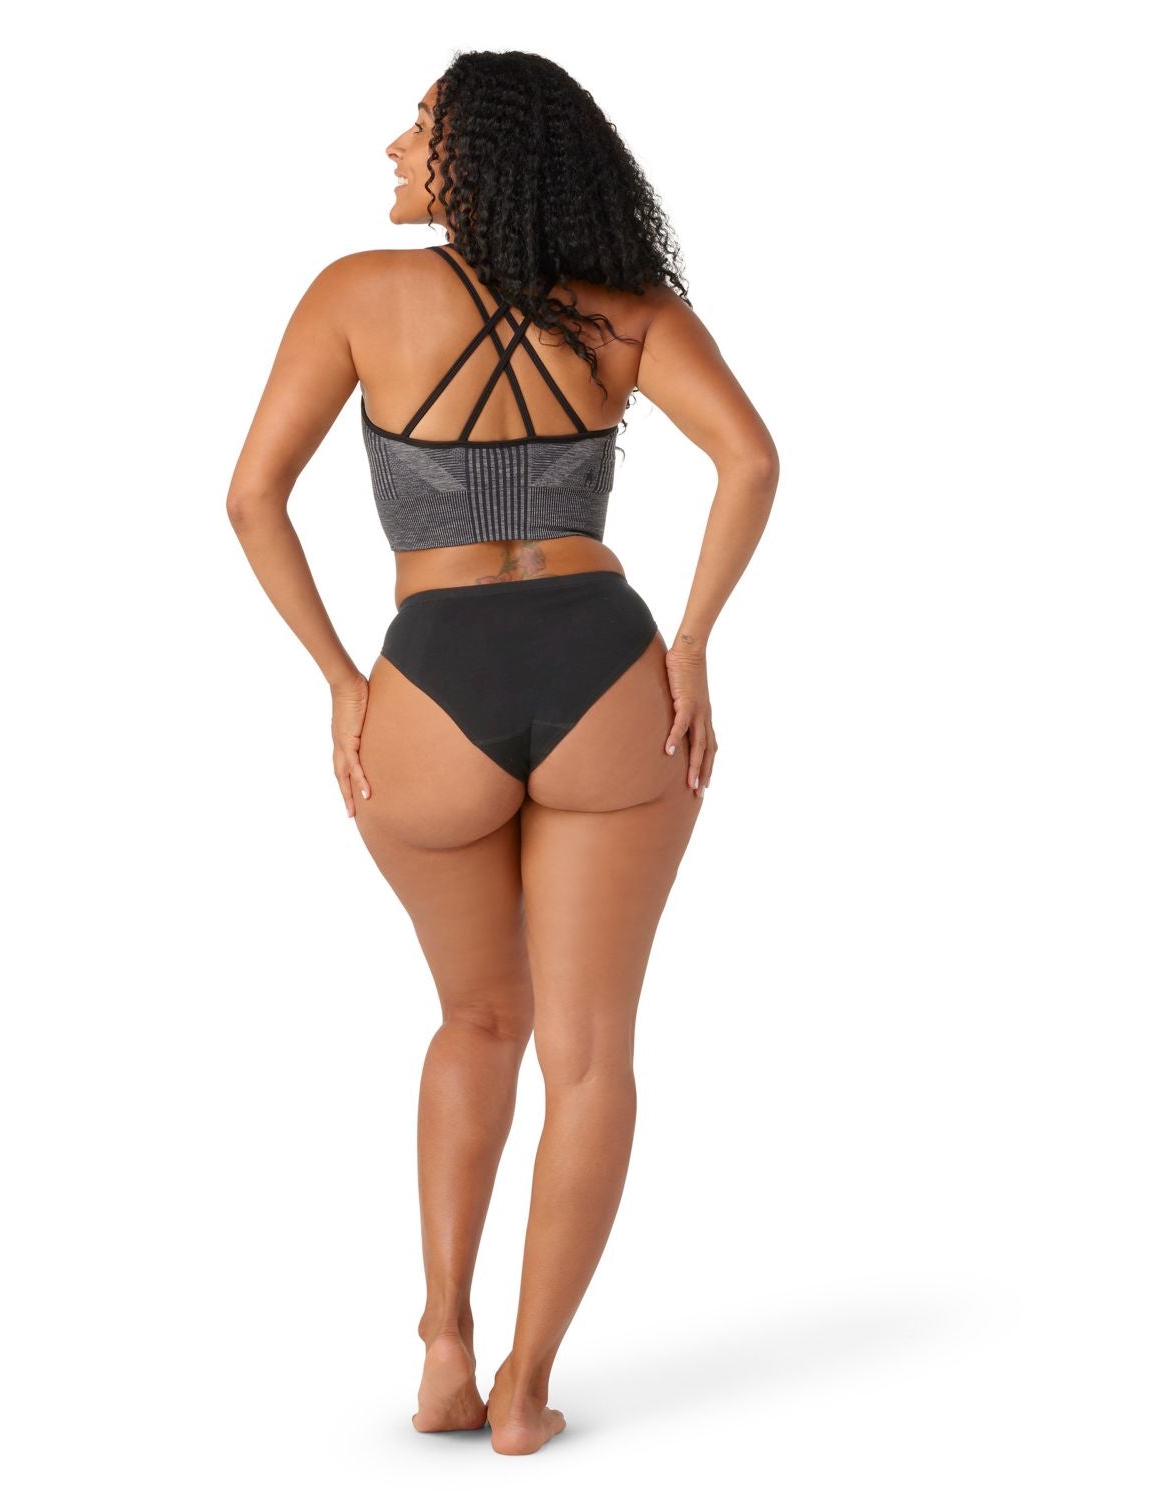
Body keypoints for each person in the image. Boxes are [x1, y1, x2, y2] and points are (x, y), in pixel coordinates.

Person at [225, 50, 778, 1456]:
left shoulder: (357, 294)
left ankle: (444, 1347)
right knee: (589, 1058)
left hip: (433, 678)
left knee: (477, 1020)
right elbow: (752, 459)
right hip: (608, 672)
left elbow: (251, 498)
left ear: (478, 156)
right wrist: (693, 643)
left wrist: (343, 679)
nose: (393, 147)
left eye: (418, 127)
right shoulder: (630, 312)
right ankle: (527, 1391)